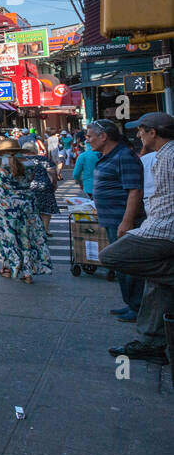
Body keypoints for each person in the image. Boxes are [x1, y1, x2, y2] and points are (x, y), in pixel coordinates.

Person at [100, 113, 174, 364]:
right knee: (157, 284)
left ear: (153, 132)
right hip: (157, 225)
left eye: (142, 130)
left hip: (163, 230)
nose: (138, 135)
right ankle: (151, 341)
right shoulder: (160, 155)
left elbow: (135, 188)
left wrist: (128, 221)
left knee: (111, 255)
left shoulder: (171, 155)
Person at [86, 119, 146, 319]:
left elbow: (135, 190)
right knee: (121, 265)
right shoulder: (107, 156)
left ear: (103, 136)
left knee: (129, 264)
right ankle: (131, 303)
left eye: (90, 136)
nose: (87, 140)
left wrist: (127, 221)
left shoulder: (123, 156)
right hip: (112, 219)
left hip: (122, 221)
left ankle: (138, 307)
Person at [0, 139, 52, 283]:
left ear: (2, 151)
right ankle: (27, 273)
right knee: (27, 236)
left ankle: (9, 268)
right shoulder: (29, 162)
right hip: (28, 203)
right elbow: (30, 179)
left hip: (6, 205)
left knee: (7, 237)